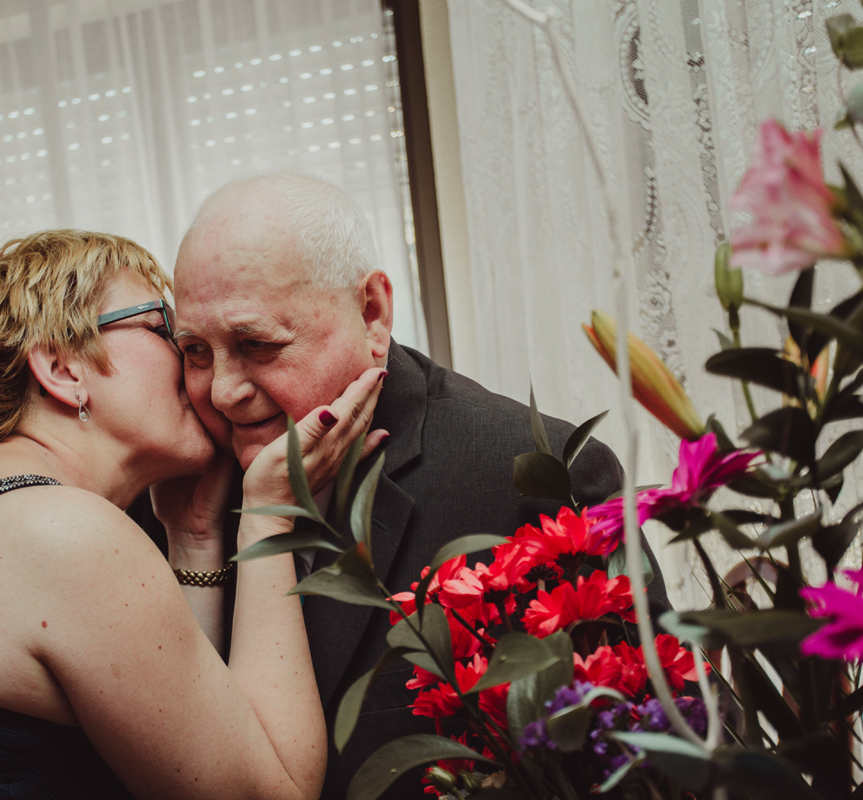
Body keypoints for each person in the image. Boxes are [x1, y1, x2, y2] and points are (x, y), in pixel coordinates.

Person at [0, 229, 388, 800]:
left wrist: (193, 538)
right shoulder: (61, 533)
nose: (197, 360)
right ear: (62, 368)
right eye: (163, 328)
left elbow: (174, 756)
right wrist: (270, 514)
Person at [161, 173, 672, 799]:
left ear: (372, 313)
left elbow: (654, 753)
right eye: (195, 351)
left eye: (256, 344)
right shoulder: (180, 492)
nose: (222, 391)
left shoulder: (530, 473)